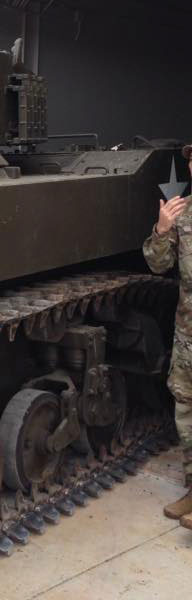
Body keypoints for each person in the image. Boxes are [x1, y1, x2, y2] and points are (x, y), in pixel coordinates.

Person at [143, 143, 192, 529]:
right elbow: (159, 266)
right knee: (187, 413)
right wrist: (162, 229)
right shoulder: (183, 214)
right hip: (188, 335)